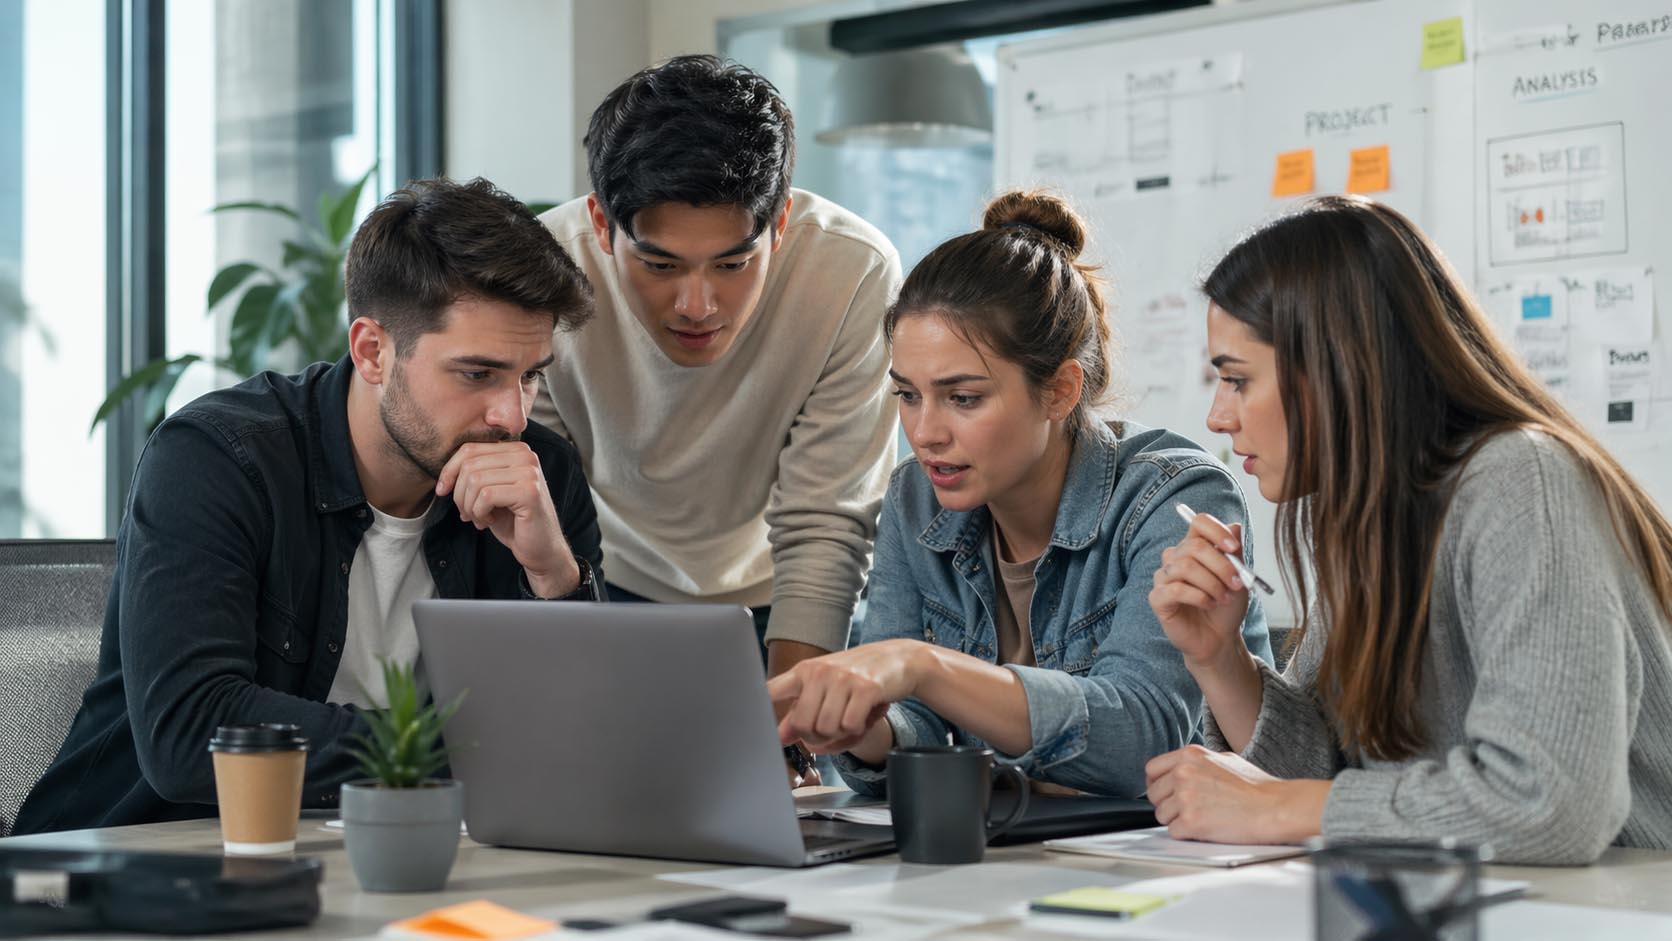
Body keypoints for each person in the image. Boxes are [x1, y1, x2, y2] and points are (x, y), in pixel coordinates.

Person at [13, 177, 604, 834]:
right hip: (133, 870)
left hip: (392, 863)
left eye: (530, 375)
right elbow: (190, 732)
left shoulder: (536, 476)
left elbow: (593, 743)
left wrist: (556, 575)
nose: (512, 415)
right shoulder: (216, 459)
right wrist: (459, 752)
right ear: (373, 351)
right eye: (478, 374)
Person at [1143, 195, 1672, 864]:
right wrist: (1221, 659)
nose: (1219, 417)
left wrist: (1274, 807)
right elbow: (1329, 772)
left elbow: (1550, 803)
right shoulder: (1370, 514)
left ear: (1338, 369)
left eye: (1238, 380)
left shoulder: (1522, 481)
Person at [766, 191, 1271, 797]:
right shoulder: (915, 500)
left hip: (1174, 861)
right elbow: (911, 733)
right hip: (1013, 855)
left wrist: (923, 668)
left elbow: (1141, 740)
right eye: (907, 395)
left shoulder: (1175, 497)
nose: (925, 433)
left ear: (1059, 391)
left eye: (964, 398)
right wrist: (864, 729)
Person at [530, 56, 901, 746]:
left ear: (781, 221)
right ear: (601, 225)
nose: (697, 305)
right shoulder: (548, 270)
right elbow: (545, 493)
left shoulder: (853, 271)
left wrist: (790, 740)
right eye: (660, 265)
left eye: (732, 264)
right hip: (600, 577)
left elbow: (827, 518)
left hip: (782, 593)